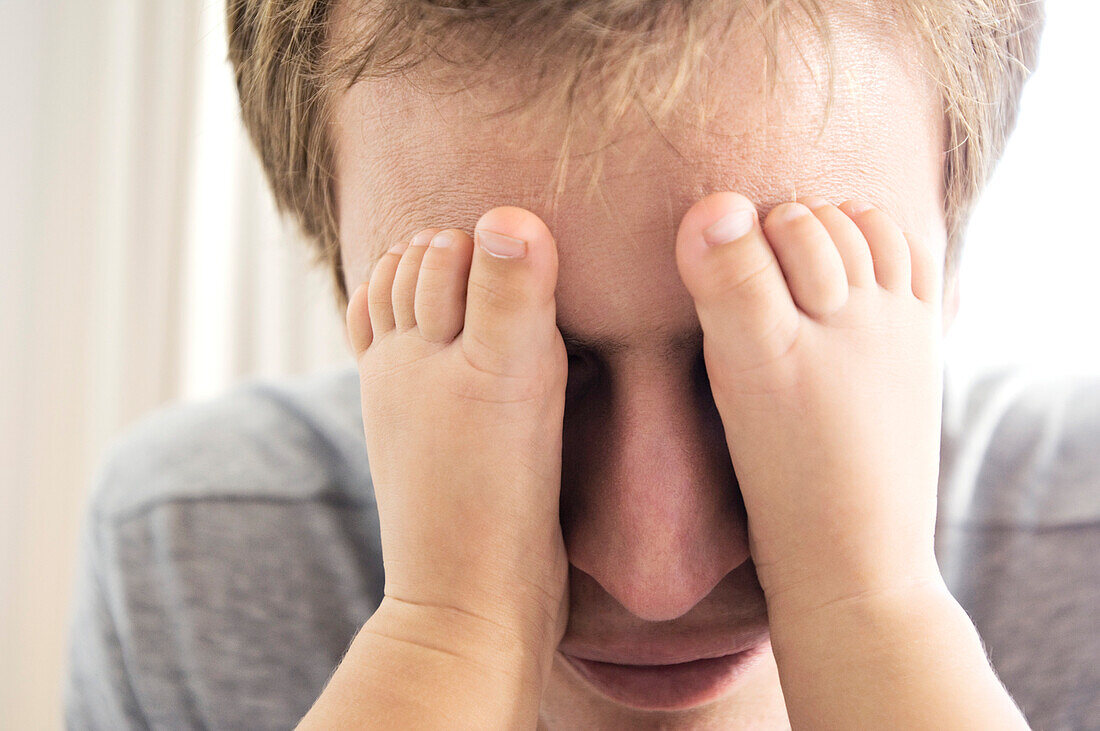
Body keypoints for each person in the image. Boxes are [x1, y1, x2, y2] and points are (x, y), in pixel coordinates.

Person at [64, 0, 1098, 728]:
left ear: (950, 257)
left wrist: (875, 616)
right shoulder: (200, 552)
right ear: (341, 285)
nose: (656, 574)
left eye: (788, 303)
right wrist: (442, 639)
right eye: (498, 339)